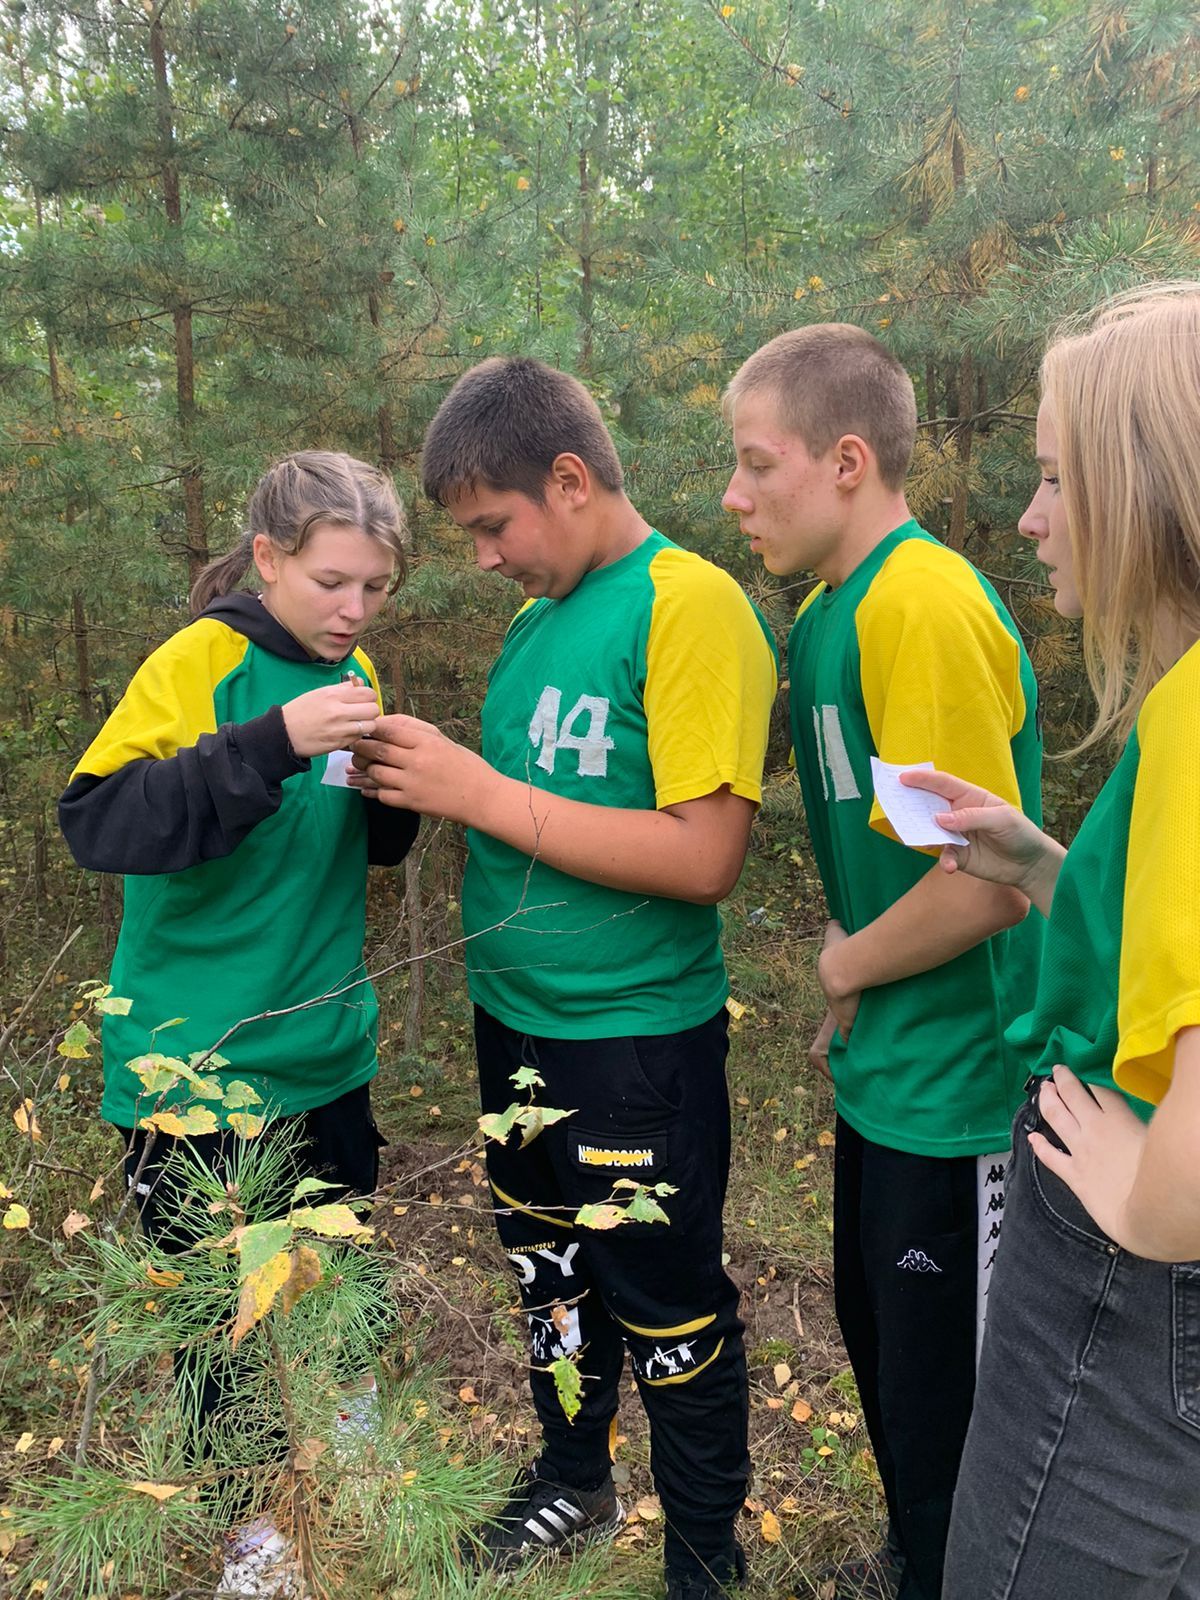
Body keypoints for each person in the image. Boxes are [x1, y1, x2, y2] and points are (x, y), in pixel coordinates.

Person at [350, 356, 778, 1600]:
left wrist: (476, 789)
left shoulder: (684, 604)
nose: (484, 557)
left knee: (668, 1303)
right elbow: (551, 810)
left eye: (494, 525)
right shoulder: (541, 624)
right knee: (548, 1272)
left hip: (632, 1044)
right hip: (517, 1027)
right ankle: (571, 1479)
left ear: (573, 478)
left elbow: (706, 856)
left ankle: (706, 1556)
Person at [58, 449, 418, 1597]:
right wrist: (270, 744)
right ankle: (248, 1541)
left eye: (374, 585)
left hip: (324, 1055)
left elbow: (350, 845)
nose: (354, 609)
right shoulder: (203, 662)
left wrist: (389, 795)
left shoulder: (352, 667)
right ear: (268, 559)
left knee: (334, 1289)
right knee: (221, 1329)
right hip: (192, 1072)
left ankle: (348, 1482)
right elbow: (103, 821)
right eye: (330, 581)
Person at [720, 325, 1043, 1600]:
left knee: (957, 1413)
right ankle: (921, 1559)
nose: (735, 498)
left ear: (848, 460)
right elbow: (908, 863)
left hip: (966, 1095)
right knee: (893, 1378)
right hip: (889, 1080)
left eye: (757, 465)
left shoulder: (921, 604)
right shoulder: (826, 620)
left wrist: (845, 962)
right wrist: (859, 981)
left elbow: (989, 888)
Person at [899, 283, 1200, 1600]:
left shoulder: (1193, 716)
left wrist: (1144, 1191)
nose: (1029, 520)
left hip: (1126, 1295)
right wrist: (1042, 869)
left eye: (1054, 480)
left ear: (1152, 491)